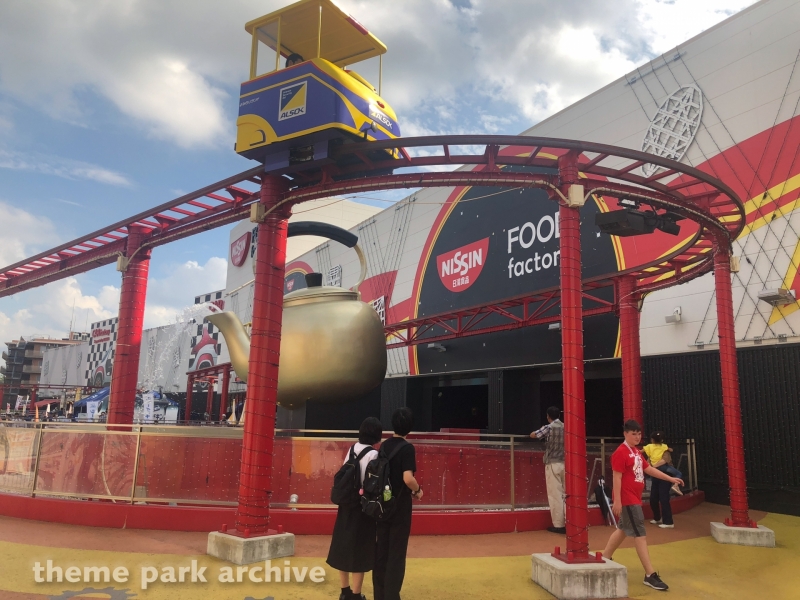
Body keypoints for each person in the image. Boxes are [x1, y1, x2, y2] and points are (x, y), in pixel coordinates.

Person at [602, 420, 684, 592]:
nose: (637, 437)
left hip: (633, 498)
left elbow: (649, 469)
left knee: (623, 529)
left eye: (639, 434)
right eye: (634, 434)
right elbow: (616, 477)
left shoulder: (636, 452)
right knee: (640, 534)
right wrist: (617, 500)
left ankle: (605, 558)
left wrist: (670, 478)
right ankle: (649, 574)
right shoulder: (621, 452)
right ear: (625, 434)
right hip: (629, 499)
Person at [327, 417, 383, 600]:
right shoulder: (373, 454)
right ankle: (356, 595)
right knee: (361, 550)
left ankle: (344, 592)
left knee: (343, 546)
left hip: (346, 504)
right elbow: (373, 483)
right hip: (363, 507)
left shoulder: (352, 449)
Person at [373, 407, 422, 600]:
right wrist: (418, 490)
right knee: (396, 553)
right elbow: (408, 478)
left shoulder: (384, 446)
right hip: (400, 507)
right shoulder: (407, 448)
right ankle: (392, 595)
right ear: (409, 427)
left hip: (383, 504)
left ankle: (379, 594)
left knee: (381, 551)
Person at [530, 406, 565, 534]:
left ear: (548, 416)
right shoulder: (566, 427)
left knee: (555, 495)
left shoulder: (549, 427)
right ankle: (570, 522)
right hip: (566, 463)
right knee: (566, 494)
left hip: (552, 463)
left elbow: (534, 435)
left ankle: (559, 525)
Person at [643, 432, 682, 528]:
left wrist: (652, 467)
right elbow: (649, 460)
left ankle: (668, 522)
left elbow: (664, 460)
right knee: (653, 498)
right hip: (656, 476)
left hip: (665, 475)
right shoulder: (653, 449)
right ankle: (657, 518)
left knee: (664, 498)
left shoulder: (665, 450)